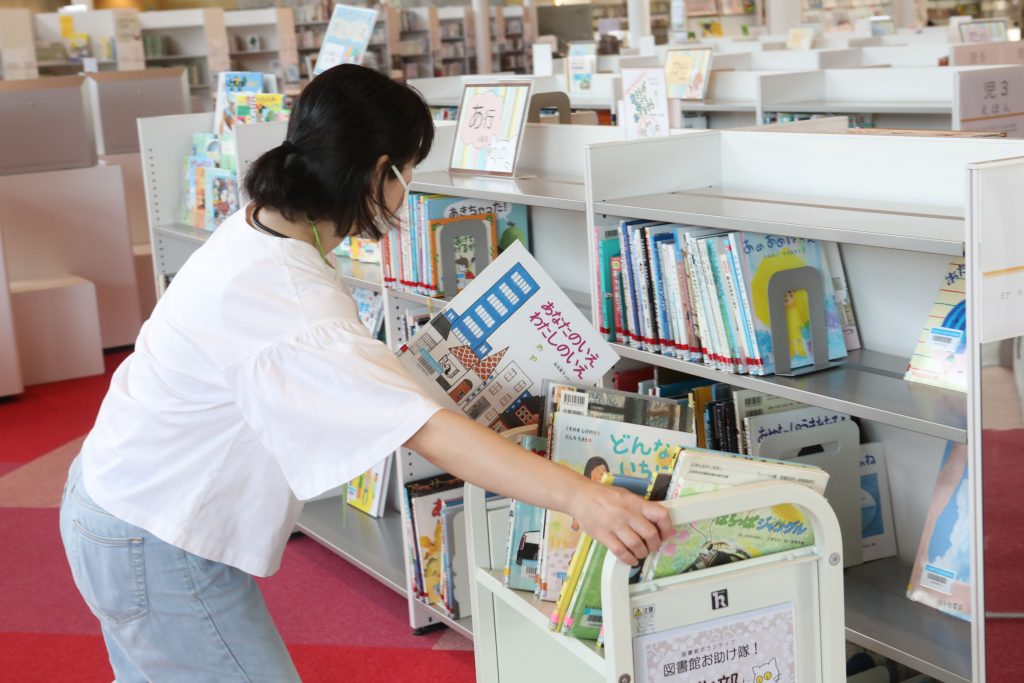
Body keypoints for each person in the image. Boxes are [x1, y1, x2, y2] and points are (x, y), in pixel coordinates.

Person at [58, 64, 670, 681]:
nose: (405, 195)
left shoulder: (263, 224)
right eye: (408, 173)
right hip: (155, 537)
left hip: (118, 500)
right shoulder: (293, 301)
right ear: (380, 172)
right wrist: (583, 499)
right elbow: (424, 430)